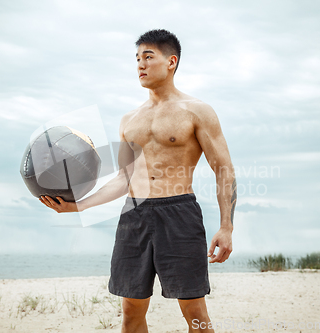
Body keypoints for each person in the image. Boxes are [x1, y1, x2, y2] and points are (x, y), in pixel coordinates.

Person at [40, 29, 236, 333]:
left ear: (171, 62)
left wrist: (226, 226)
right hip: (134, 214)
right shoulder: (129, 120)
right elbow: (123, 179)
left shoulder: (197, 111)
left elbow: (223, 168)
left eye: (148, 57)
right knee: (130, 310)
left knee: (194, 311)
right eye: (137, 59)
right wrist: (79, 206)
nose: (140, 65)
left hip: (179, 213)